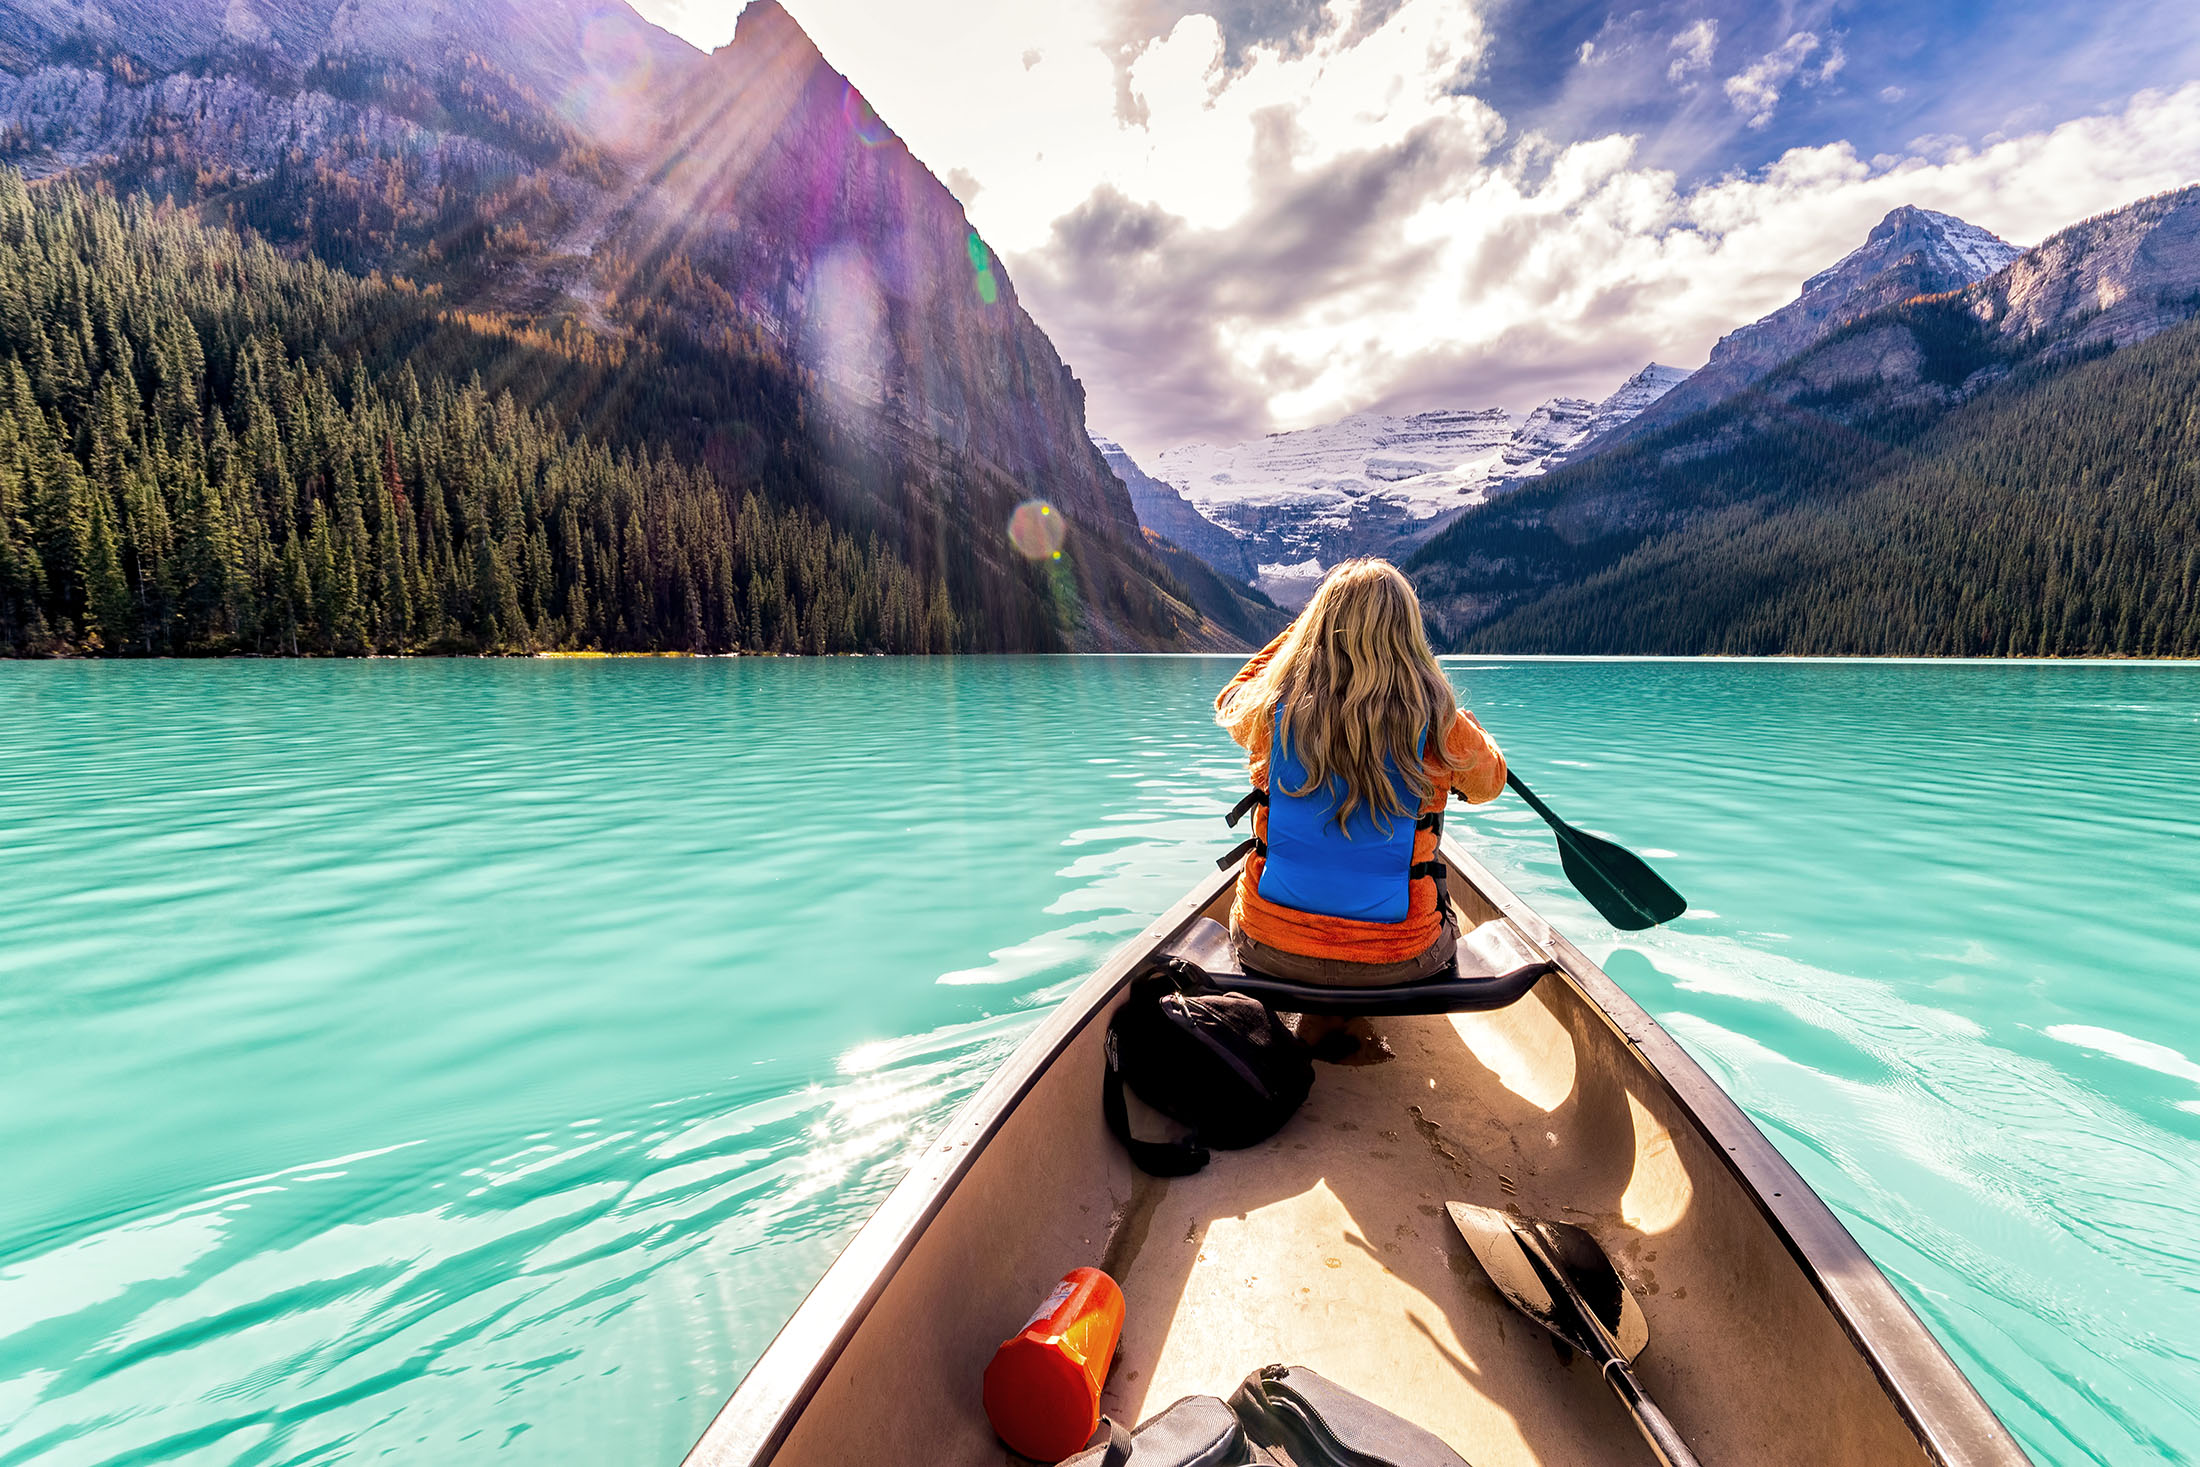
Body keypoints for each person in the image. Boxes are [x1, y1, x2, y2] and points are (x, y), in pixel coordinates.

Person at [1214, 558, 1505, 988]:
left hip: (1268, 948)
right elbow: (1489, 785)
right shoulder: (1440, 721)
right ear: (1407, 634)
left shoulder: (1269, 710)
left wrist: (1309, 625)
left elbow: (1230, 698)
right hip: (1401, 959)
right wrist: (1477, 735)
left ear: (1317, 625)